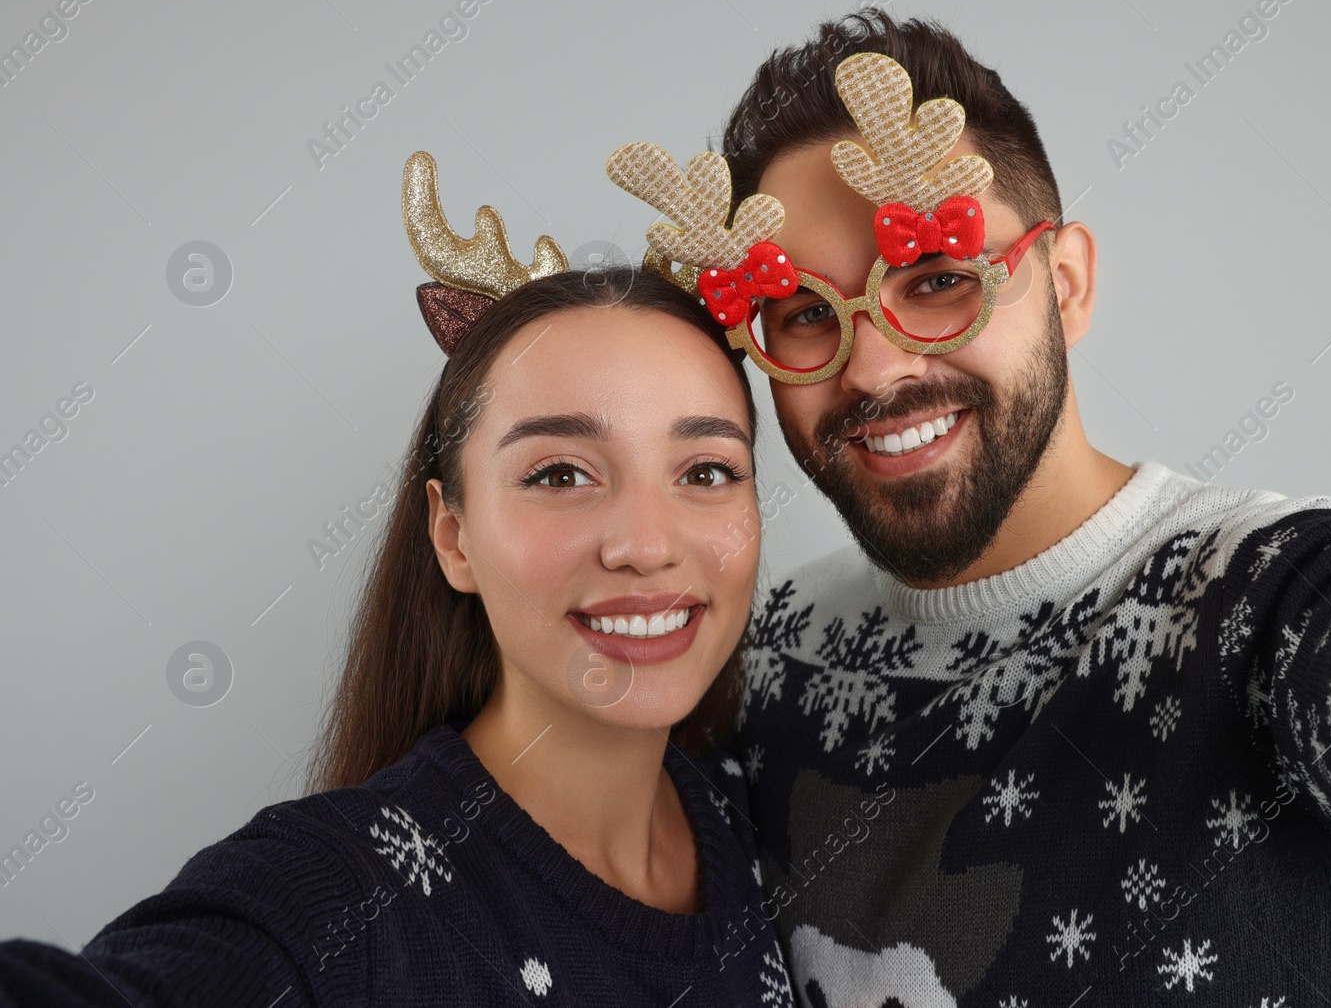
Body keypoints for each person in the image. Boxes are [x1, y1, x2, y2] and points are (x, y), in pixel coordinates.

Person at [609, 13, 1331, 1004]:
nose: (874, 367)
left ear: (1067, 281)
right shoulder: (749, 647)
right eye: (805, 315)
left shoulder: (1258, 601)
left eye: (942, 279)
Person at [0, 152, 795, 1007]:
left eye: (707, 470)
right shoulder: (342, 893)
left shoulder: (761, 817)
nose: (645, 544)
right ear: (452, 535)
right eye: (560, 474)